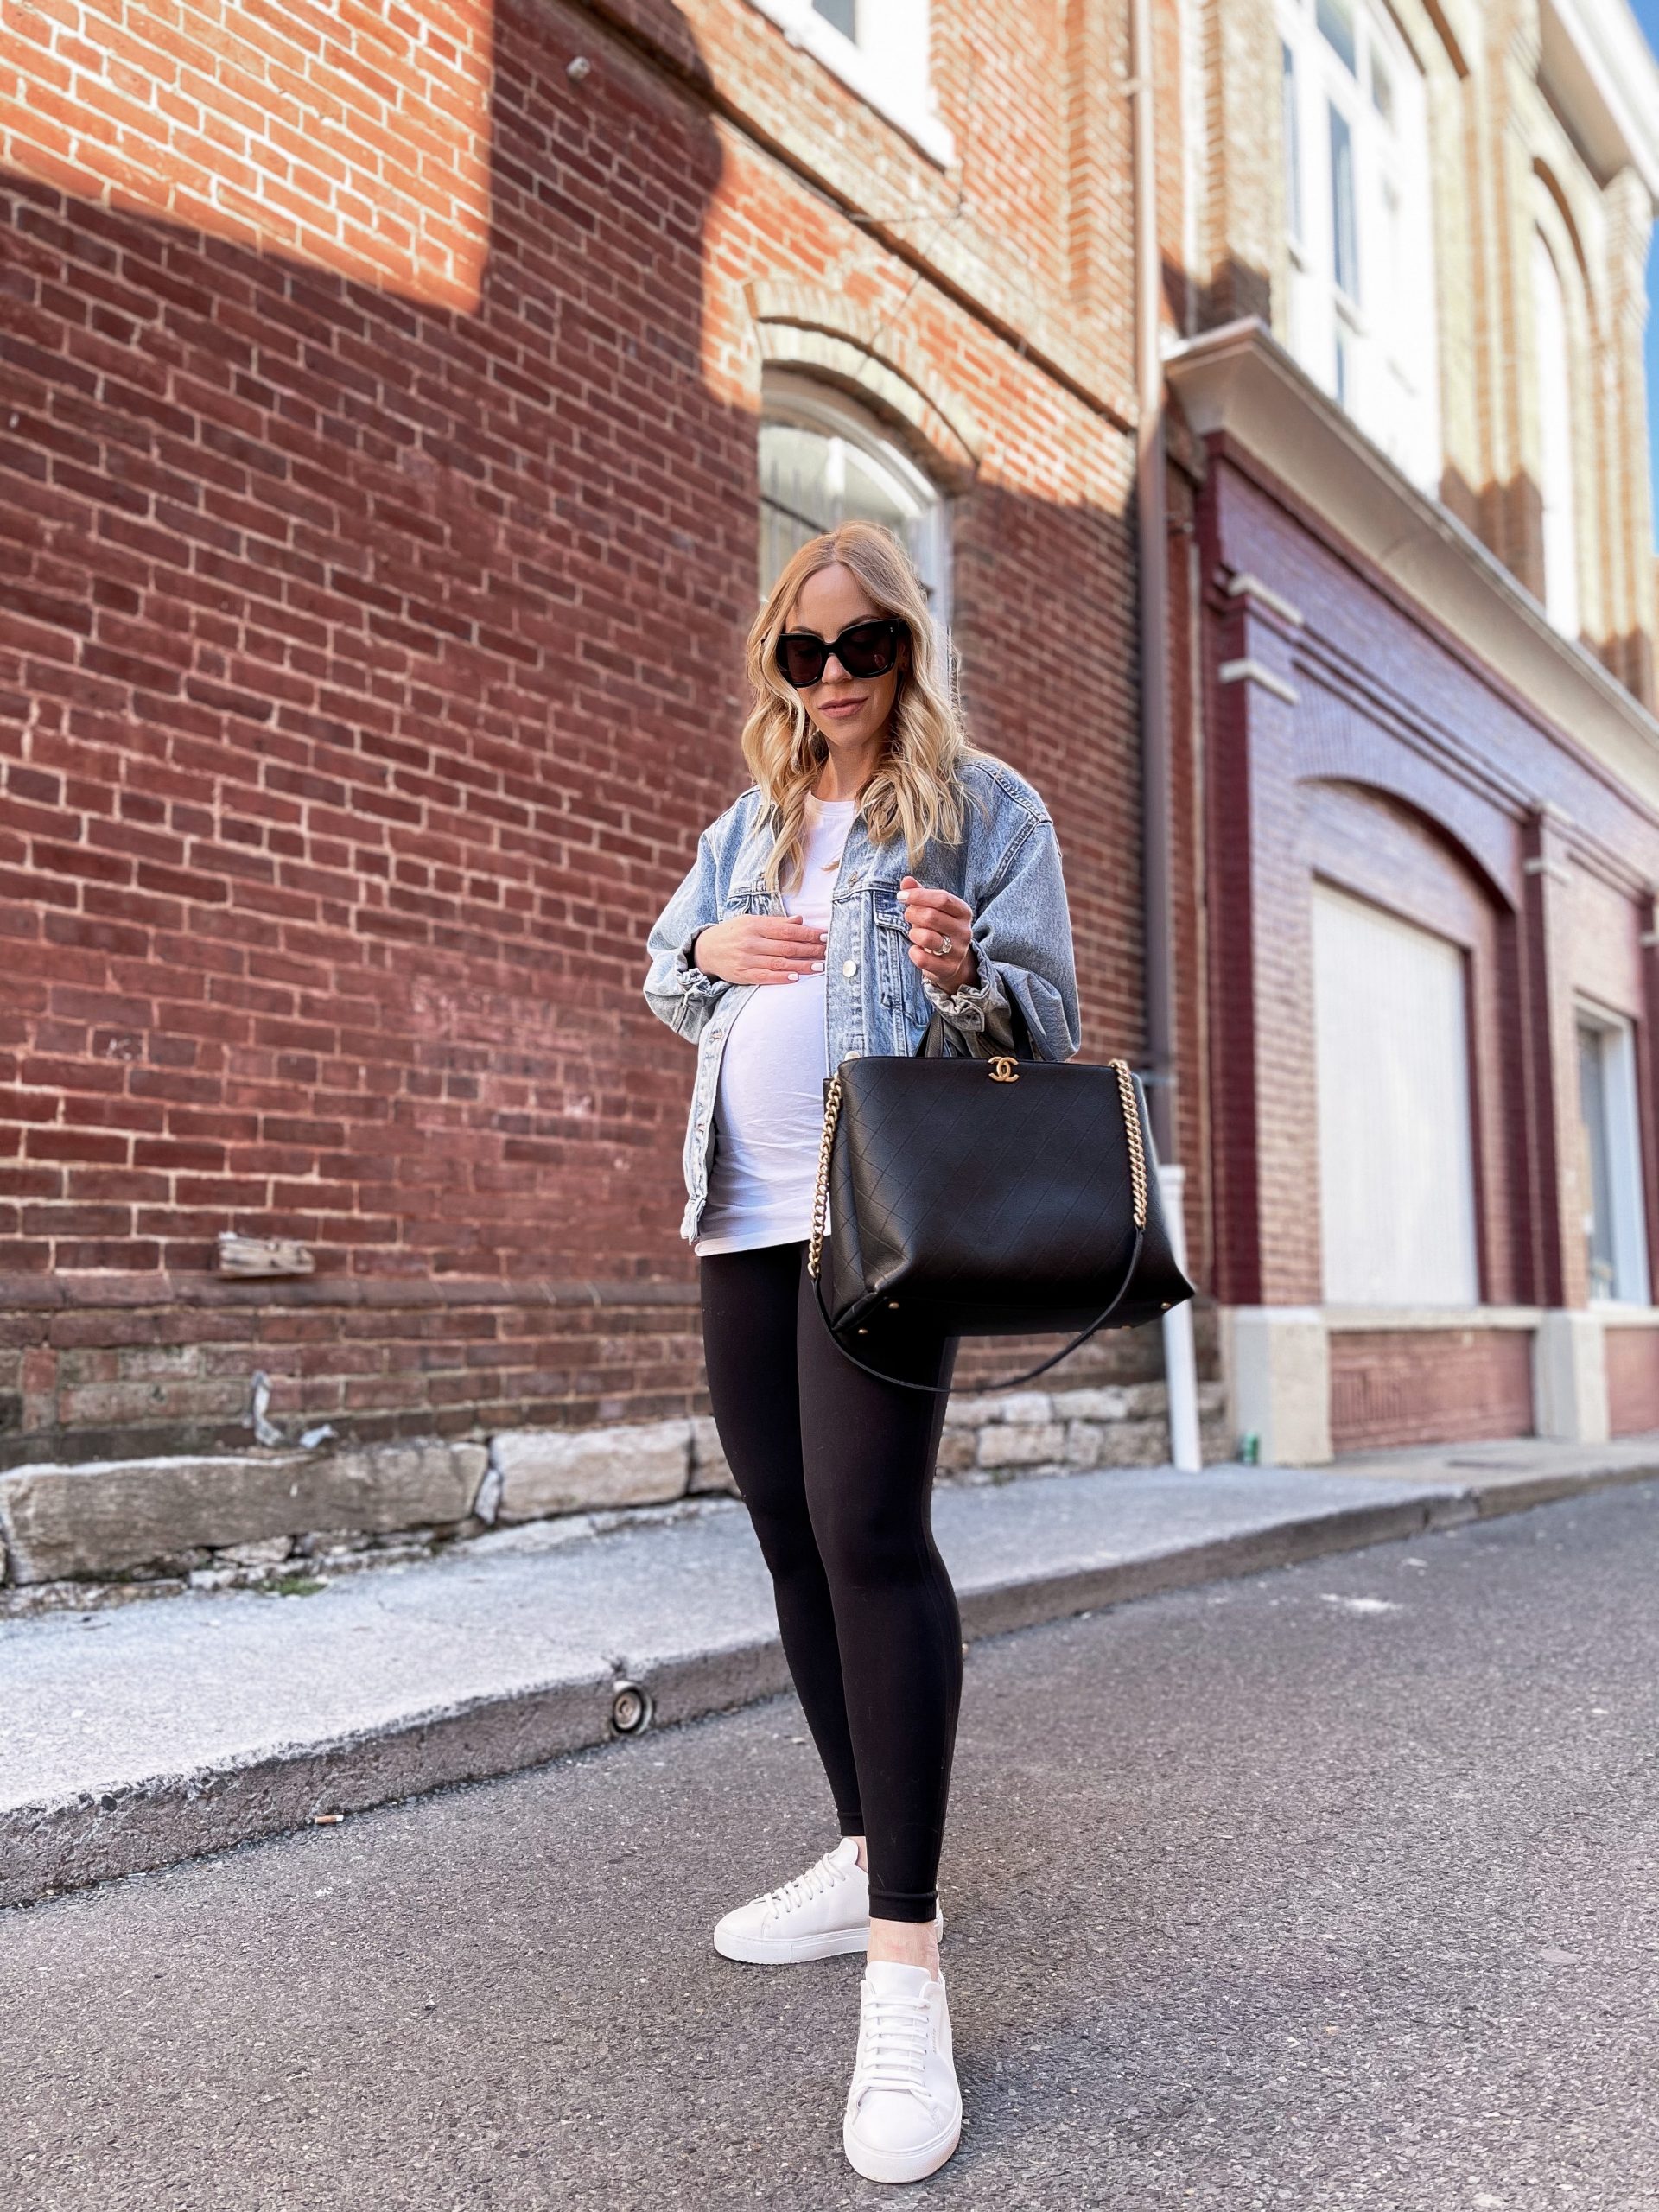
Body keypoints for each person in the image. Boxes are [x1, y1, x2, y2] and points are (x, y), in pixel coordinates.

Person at [643, 519, 1080, 2184]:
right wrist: (708, 951)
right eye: (803, 654)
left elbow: (1043, 1023)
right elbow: (665, 975)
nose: (833, 679)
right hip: (737, 1216)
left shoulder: (989, 810)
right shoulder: (743, 824)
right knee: (786, 1539)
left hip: (878, 1213)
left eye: (864, 646)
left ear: (912, 645)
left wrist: (974, 976)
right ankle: (856, 1848)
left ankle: (907, 1961)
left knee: (872, 1538)